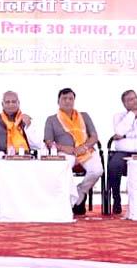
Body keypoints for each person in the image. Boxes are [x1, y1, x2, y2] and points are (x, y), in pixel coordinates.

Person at [43, 88, 103, 216]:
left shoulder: (84, 116)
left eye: (70, 99)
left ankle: (80, 192)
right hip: (65, 153)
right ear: (58, 101)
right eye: (64, 98)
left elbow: (94, 137)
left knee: (97, 170)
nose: (67, 101)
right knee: (63, 170)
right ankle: (66, 201)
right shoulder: (52, 119)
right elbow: (48, 142)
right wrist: (64, 148)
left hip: (85, 150)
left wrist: (84, 147)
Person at [108, 89, 137, 215]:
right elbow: (119, 131)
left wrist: (126, 135)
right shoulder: (118, 116)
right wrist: (131, 115)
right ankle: (116, 199)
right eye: (130, 100)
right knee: (114, 165)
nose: (135, 101)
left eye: (136, 98)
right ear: (124, 104)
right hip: (122, 153)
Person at [0, 91, 36, 202]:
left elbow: (37, 144)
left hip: (23, 158)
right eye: (7, 102)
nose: (11, 104)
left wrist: (28, 126)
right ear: (2, 104)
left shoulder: (25, 119)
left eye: (14, 102)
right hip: (1, 157)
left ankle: (25, 202)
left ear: (19, 103)